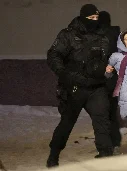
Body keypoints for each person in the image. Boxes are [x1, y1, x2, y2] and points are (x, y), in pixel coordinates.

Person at [46, 4, 113, 168]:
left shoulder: (102, 37)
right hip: (74, 87)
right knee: (67, 122)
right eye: (91, 18)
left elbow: (103, 60)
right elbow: (53, 55)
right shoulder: (68, 35)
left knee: (102, 121)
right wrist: (65, 75)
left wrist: (106, 70)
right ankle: (53, 156)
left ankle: (105, 157)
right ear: (83, 18)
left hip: (96, 87)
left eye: (96, 18)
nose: (94, 21)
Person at [98, 10, 122, 155]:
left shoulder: (99, 37)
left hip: (101, 80)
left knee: (102, 114)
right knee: (111, 112)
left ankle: (107, 147)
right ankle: (115, 142)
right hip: (113, 80)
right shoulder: (116, 36)